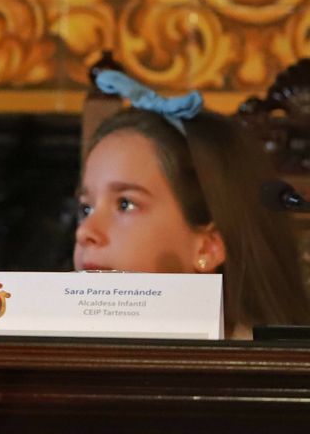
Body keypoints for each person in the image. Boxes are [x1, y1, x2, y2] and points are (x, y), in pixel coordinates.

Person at [76, 70, 310, 337]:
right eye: (86, 209)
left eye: (125, 204)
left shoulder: (265, 361)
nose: (85, 232)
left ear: (208, 246)